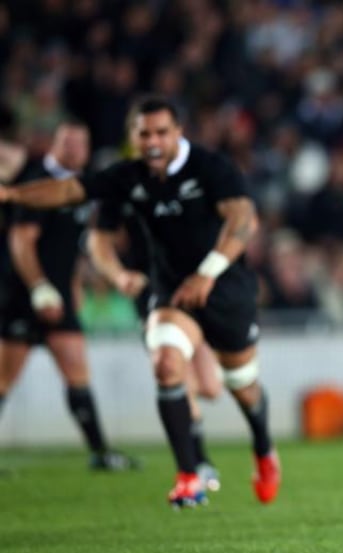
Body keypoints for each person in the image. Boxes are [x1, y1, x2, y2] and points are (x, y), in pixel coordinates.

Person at [0, 96, 280, 509]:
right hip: (172, 291)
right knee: (166, 365)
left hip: (224, 288)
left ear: (177, 132)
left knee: (241, 387)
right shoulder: (126, 177)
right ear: (133, 137)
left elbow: (244, 219)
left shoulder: (210, 166)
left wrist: (208, 272)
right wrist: (11, 194)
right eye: (144, 133)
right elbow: (68, 190)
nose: (152, 141)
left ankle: (264, 449)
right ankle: (189, 476)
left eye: (161, 132)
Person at [0, 120, 138, 471]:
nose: (76, 150)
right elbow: (21, 241)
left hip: (58, 295)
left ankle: (101, 453)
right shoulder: (37, 182)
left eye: (82, 143)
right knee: (4, 377)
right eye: (69, 143)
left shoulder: (80, 187)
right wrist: (39, 289)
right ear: (54, 145)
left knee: (76, 369)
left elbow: (70, 247)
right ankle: (101, 451)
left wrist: (72, 287)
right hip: (22, 293)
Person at [87, 202, 225, 490]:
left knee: (211, 387)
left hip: (188, 294)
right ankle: (198, 462)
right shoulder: (129, 204)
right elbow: (100, 239)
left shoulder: (182, 198)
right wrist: (119, 274)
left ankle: (194, 450)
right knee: (179, 375)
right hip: (153, 301)